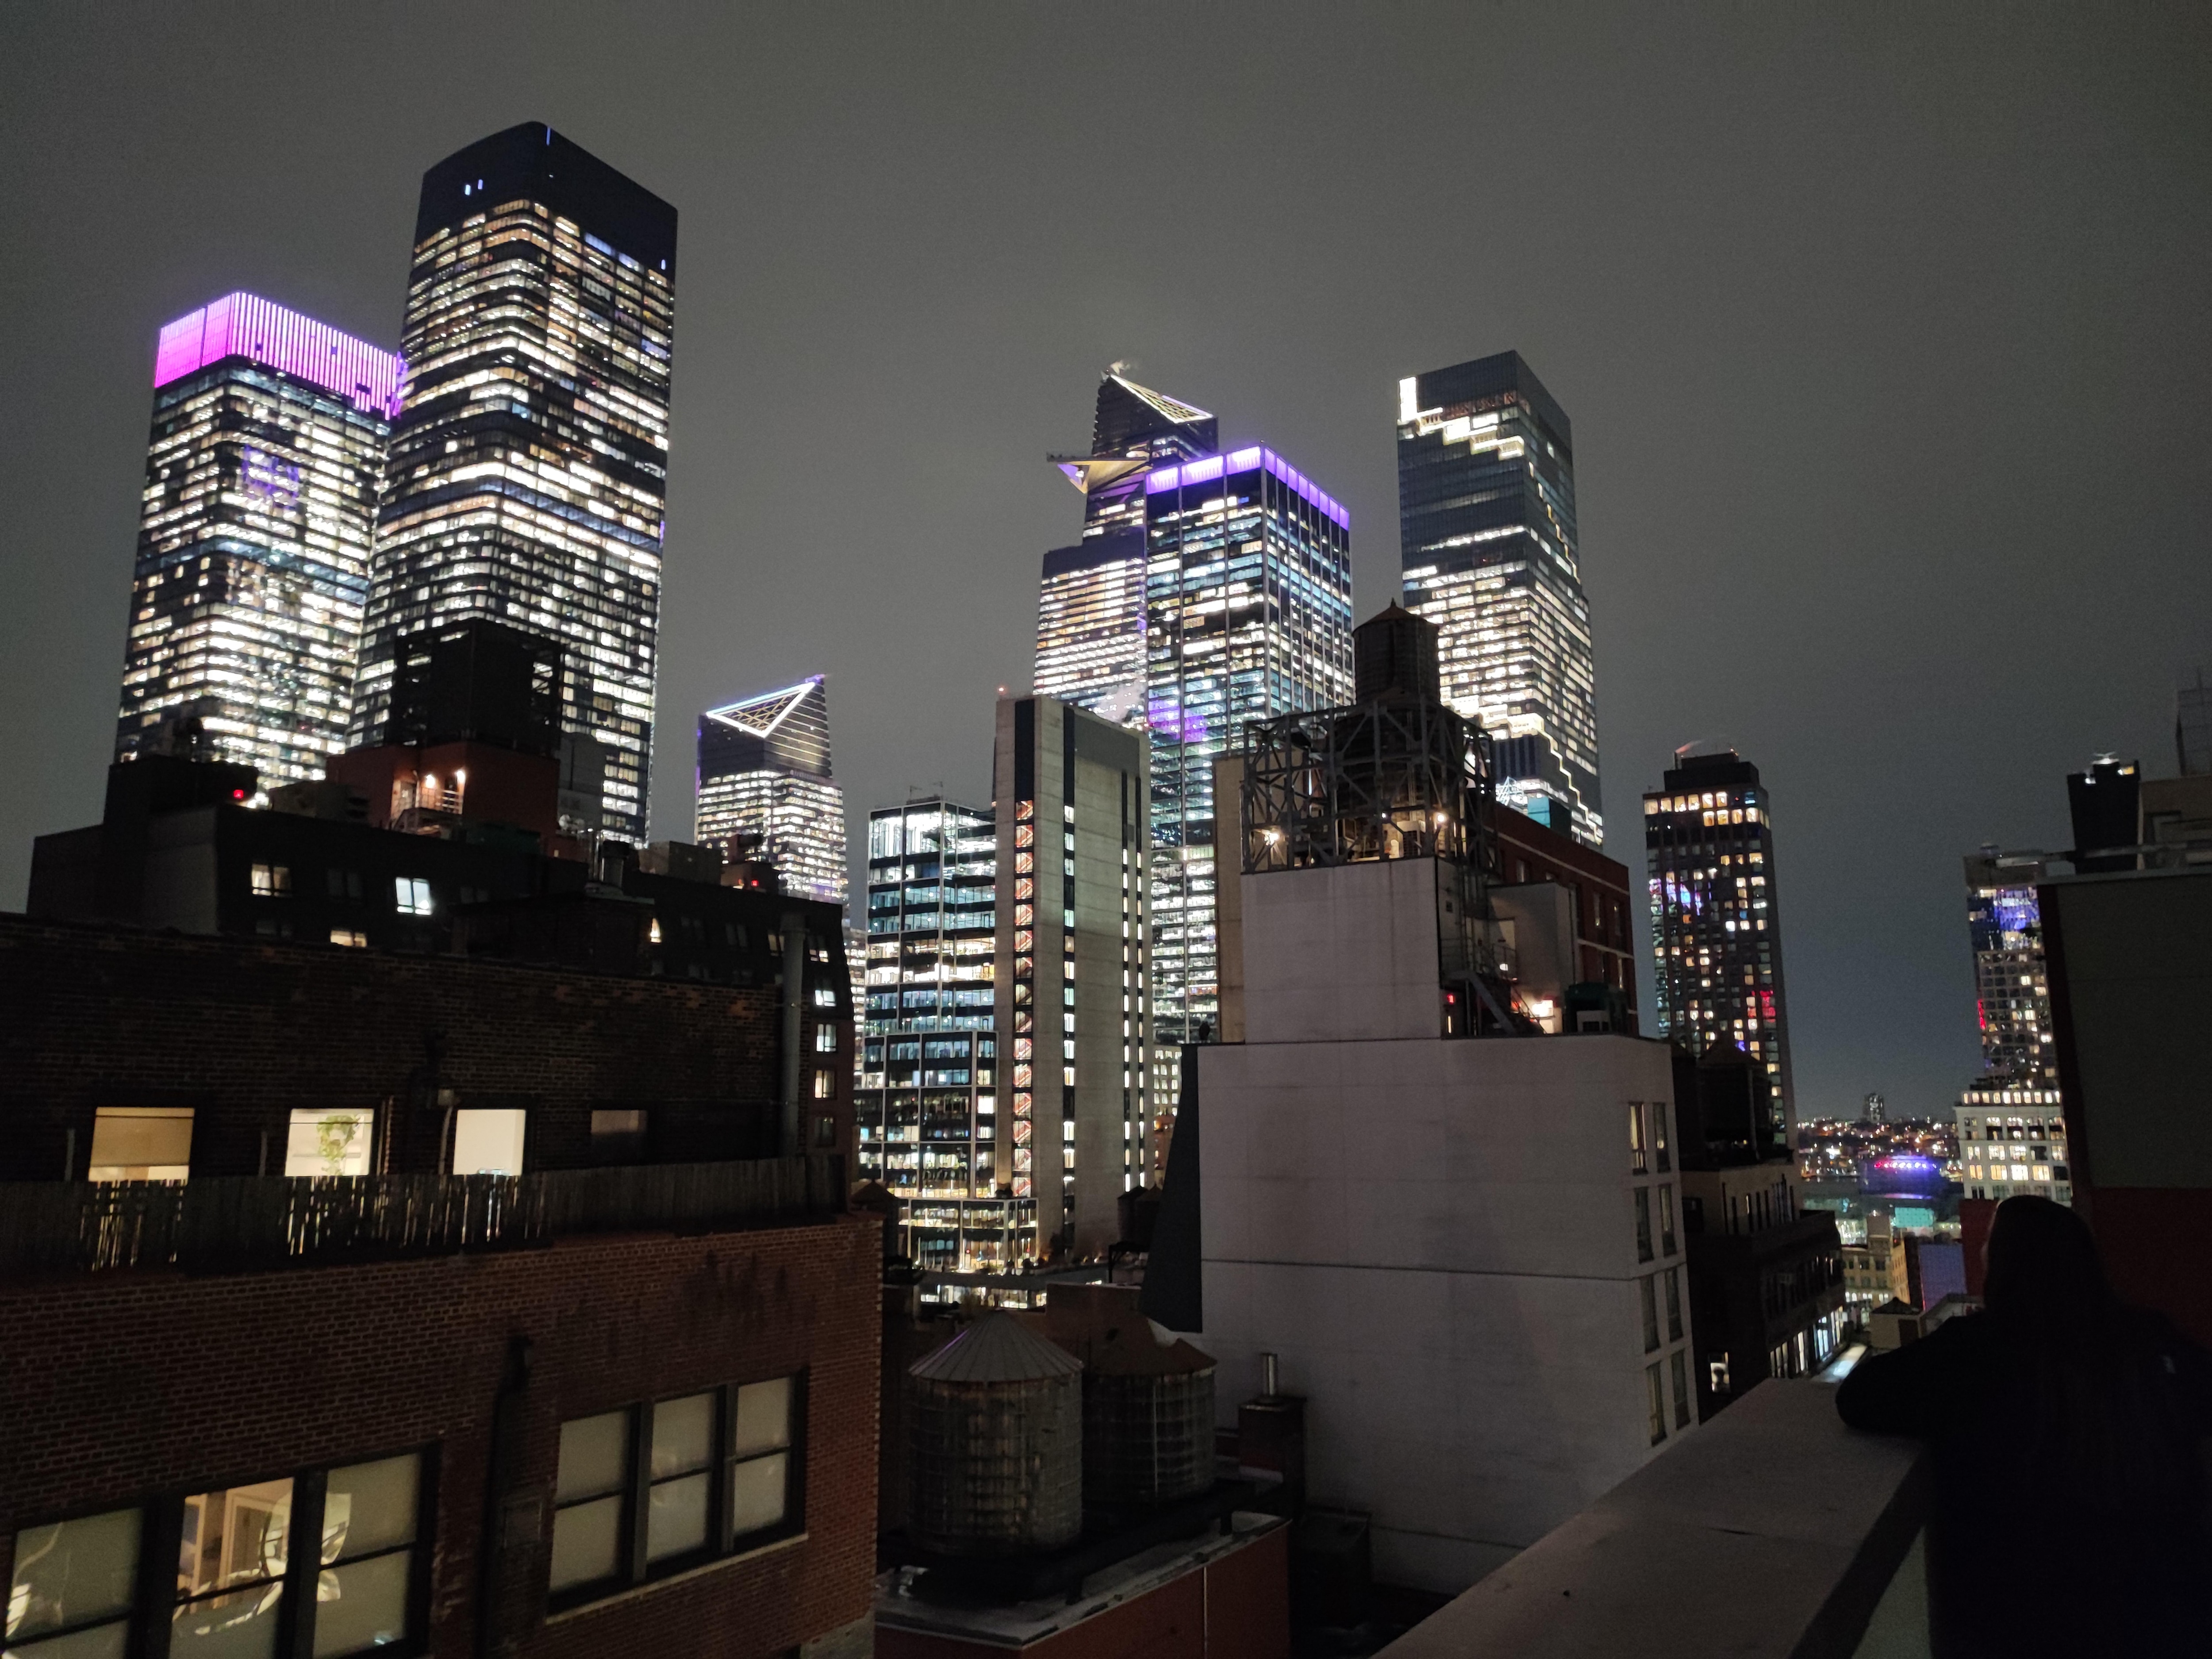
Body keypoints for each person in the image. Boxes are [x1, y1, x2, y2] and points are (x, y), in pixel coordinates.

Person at [1836, 1195, 2212, 1655]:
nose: (1979, 1252)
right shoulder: (2148, 1340)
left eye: (1990, 1243)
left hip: (2021, 1623)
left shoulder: (1974, 1354)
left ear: (2004, 1262)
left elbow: (1858, 1397)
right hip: (2165, 1616)